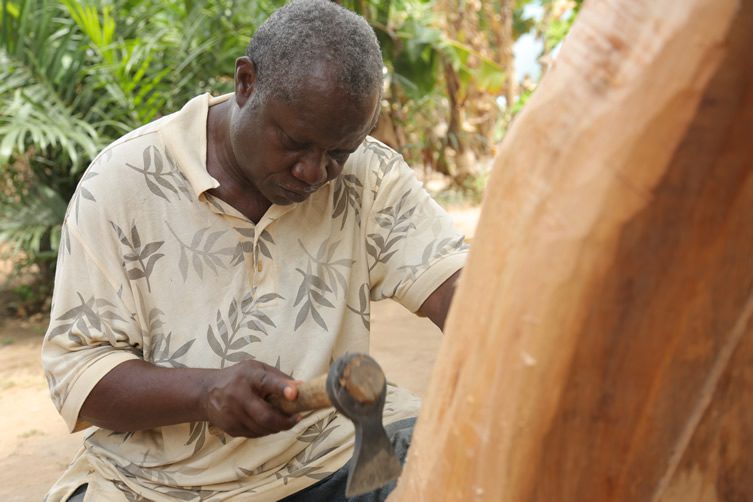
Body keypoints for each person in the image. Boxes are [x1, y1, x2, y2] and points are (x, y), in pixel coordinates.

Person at [42, 0, 467, 500]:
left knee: (462, 468)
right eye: (293, 142)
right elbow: (79, 379)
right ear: (246, 83)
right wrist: (205, 392)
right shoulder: (123, 183)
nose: (314, 172)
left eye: (338, 152)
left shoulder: (369, 175)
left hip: (330, 453)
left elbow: (457, 288)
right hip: (159, 485)